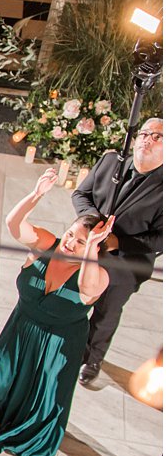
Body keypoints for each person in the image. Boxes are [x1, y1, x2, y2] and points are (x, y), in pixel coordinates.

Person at [0, 167, 113, 456]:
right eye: (71, 234)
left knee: (39, 389)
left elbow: (86, 285)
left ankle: (10, 419)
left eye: (80, 242)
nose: (70, 243)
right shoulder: (50, 244)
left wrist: (92, 249)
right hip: (21, 327)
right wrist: (36, 195)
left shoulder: (96, 276)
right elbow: (14, 224)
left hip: (58, 342)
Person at [73, 118, 162, 387]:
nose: (147, 139)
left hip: (126, 264)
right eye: (144, 133)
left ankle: (92, 358)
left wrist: (117, 243)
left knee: (105, 313)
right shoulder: (111, 160)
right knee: (74, 299)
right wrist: (92, 225)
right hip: (87, 248)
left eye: (157, 136)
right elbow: (81, 194)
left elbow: (161, 238)